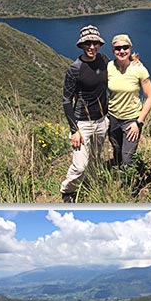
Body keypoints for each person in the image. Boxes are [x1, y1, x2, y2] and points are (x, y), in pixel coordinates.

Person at [60, 24, 110, 203]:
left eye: (95, 43)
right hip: (82, 123)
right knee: (80, 165)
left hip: (102, 120)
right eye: (87, 43)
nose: (91, 47)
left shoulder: (103, 60)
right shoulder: (75, 69)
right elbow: (67, 100)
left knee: (96, 158)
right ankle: (67, 190)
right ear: (81, 45)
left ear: (99, 44)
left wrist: (134, 62)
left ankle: (91, 184)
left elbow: (118, 72)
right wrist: (74, 130)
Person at [107, 34, 151, 168]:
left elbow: (150, 97)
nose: (122, 51)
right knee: (117, 151)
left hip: (131, 120)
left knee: (128, 159)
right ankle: (117, 181)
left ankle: (132, 186)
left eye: (125, 47)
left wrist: (138, 122)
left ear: (130, 48)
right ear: (113, 51)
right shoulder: (109, 66)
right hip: (113, 118)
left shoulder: (139, 69)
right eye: (118, 48)